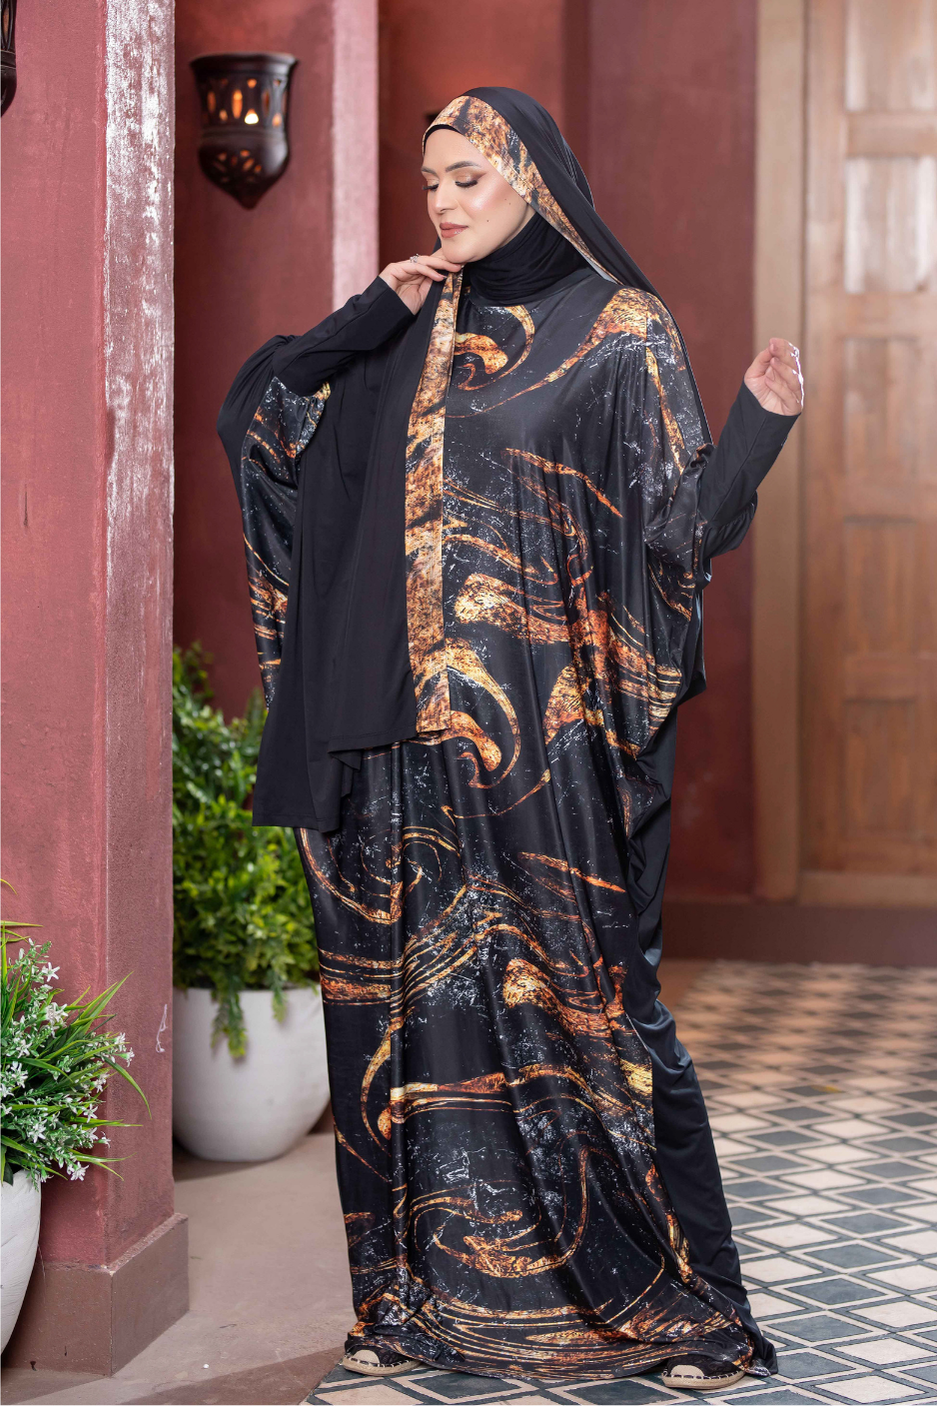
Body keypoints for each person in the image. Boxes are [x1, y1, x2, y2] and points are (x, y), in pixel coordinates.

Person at [218, 88, 802, 1393]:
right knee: (419, 1030)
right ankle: (440, 1294)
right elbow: (260, 423)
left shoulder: (619, 332)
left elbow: (675, 536)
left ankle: (683, 1304)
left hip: (555, 762)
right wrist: (370, 306)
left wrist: (758, 428)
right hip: (402, 758)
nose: (442, 199)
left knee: (598, 1024)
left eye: (467, 175)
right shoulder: (413, 328)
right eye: (430, 179)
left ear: (535, 178)